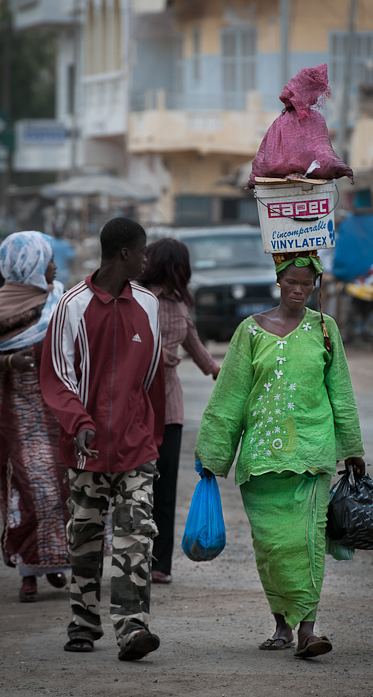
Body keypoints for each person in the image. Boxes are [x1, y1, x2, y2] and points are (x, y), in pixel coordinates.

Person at [195, 250, 365, 659]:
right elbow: (230, 396)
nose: (300, 291)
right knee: (271, 546)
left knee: (306, 541)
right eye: (293, 283)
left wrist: (352, 447)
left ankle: (308, 629)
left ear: (315, 285)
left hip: (312, 454)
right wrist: (214, 456)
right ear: (279, 281)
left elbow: (340, 390)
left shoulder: (326, 329)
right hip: (261, 461)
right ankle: (281, 625)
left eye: (307, 284)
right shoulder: (249, 332)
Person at [40, 217, 165, 661]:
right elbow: (57, 377)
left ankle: (133, 628)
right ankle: (83, 624)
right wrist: (80, 423)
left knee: (137, 537)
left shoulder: (149, 305)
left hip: (135, 449)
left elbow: (150, 380)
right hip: (85, 450)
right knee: (85, 539)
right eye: (143, 251)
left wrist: (150, 435)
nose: (147, 259)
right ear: (124, 254)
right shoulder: (71, 306)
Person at [0, 231, 69, 603]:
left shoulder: (59, 300)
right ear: (30, 264)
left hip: (59, 413)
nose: (55, 266)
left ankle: (55, 561)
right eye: (49, 260)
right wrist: (10, 360)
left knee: (63, 488)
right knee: (26, 491)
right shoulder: (0, 305)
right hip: (17, 417)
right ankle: (29, 571)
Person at [139, 237, 220, 584]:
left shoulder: (178, 303)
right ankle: (131, 554)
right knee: (134, 482)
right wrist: (156, 357)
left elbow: (194, 344)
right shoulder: (137, 299)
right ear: (172, 267)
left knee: (165, 486)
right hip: (137, 403)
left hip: (169, 406)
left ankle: (160, 564)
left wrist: (222, 373)